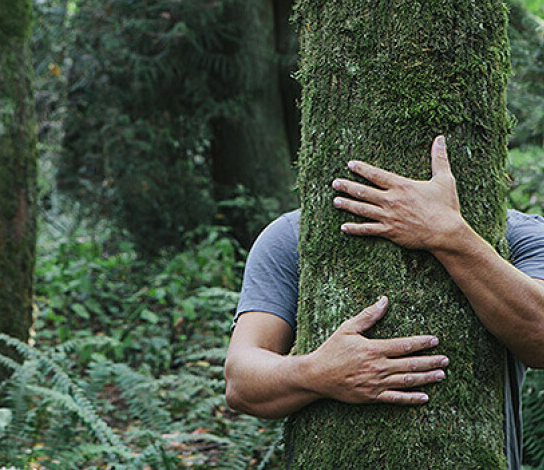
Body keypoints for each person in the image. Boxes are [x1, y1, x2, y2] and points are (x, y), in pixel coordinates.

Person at [224, 136, 544, 469]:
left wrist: (450, 235)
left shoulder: (519, 236)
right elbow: (241, 381)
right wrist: (316, 373)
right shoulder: (292, 238)